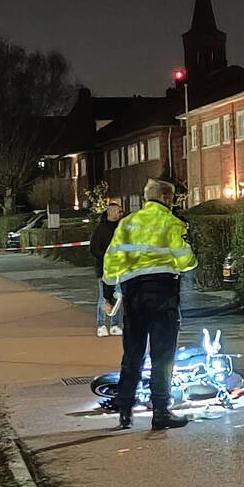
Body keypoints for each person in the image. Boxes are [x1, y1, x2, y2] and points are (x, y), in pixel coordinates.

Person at [103, 179, 198, 430]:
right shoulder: (171, 222)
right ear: (166, 198)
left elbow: (110, 261)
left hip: (133, 294)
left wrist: (108, 293)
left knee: (132, 353)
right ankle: (160, 412)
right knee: (162, 356)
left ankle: (124, 410)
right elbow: (186, 261)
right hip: (162, 293)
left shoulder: (126, 223)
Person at [89, 203, 123, 337]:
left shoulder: (122, 228)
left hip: (120, 269)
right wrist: (107, 258)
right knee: (104, 296)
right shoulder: (100, 229)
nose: (120, 213)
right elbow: (94, 248)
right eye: (118, 211)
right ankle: (101, 324)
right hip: (104, 269)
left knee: (118, 297)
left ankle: (115, 324)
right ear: (110, 212)